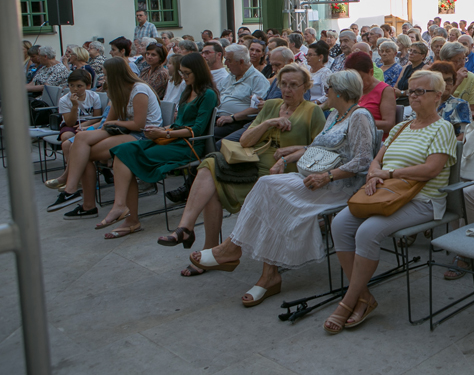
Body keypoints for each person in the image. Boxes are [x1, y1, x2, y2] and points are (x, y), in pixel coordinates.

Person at [169, 70, 378, 307]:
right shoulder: (335, 116)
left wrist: (328, 176)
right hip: (316, 178)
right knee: (267, 184)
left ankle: (246, 260)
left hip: (340, 185)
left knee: (275, 196)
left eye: (328, 88)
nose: (324, 92)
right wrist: (285, 160)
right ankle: (245, 257)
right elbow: (315, 148)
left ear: (340, 92)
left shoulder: (359, 116)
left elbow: (363, 161)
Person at [323, 71, 457, 333]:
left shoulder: (443, 128)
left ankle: (349, 301)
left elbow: (431, 169)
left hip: (422, 199)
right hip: (385, 193)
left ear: (438, 96)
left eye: (421, 91)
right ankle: (364, 297)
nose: (414, 96)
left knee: (367, 231)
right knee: (339, 224)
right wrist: (374, 174)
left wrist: (389, 174)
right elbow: (377, 160)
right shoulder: (401, 127)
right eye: (411, 91)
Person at [182, 64, 326, 276]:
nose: (287, 89)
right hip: (252, 166)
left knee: (224, 181)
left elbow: (321, 149)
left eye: (294, 85)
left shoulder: (313, 111)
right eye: (283, 84)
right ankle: (190, 231)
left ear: (305, 86)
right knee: (211, 166)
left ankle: (225, 250)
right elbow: (245, 141)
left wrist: (293, 150)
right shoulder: (272, 105)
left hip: (284, 172)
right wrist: (268, 123)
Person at [101, 54, 219, 238]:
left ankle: (129, 218)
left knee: (128, 157)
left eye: (187, 73)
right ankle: (121, 207)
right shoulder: (188, 90)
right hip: (173, 138)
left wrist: (165, 134)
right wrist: (161, 129)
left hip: (189, 146)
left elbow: (197, 130)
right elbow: (178, 123)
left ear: (198, 72)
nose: (183, 77)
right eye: (182, 73)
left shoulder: (208, 94)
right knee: (123, 151)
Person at [48, 58, 164, 219]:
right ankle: (72, 190)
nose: (104, 78)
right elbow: (108, 122)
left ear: (116, 75)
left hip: (144, 135)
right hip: (123, 130)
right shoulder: (119, 90)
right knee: (80, 139)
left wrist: (113, 124)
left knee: (84, 155)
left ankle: (80, 199)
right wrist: (94, 133)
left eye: (106, 75)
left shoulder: (139, 90)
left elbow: (138, 125)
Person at [213, 44, 271, 140]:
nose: (225, 64)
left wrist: (233, 117)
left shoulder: (258, 79)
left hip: (238, 121)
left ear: (241, 62)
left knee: (211, 135)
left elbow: (257, 107)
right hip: (217, 117)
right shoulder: (231, 75)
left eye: (229, 60)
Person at [347, 52, 396, 138]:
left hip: (374, 139)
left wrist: (359, 122)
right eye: (352, 79)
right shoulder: (351, 89)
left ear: (371, 72)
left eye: (360, 78)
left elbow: (389, 124)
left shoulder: (385, 91)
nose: (356, 82)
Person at [439, 42, 474, 113]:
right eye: (458, 60)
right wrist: (456, 82)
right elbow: (439, 104)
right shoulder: (437, 77)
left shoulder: (470, 77)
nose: (462, 63)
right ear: (446, 62)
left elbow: (471, 108)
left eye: (464, 59)